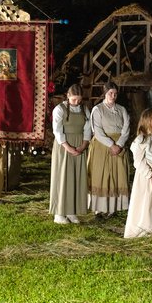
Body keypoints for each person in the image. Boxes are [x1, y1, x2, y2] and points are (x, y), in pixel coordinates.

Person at [87, 81, 131, 217]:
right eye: (110, 93)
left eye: (115, 93)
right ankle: (99, 208)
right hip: (102, 145)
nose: (113, 96)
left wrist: (119, 145)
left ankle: (113, 207)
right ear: (105, 94)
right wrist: (111, 144)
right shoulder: (98, 109)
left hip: (119, 144)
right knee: (101, 175)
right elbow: (97, 130)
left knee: (117, 175)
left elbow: (126, 129)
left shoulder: (121, 110)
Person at [49, 84, 92, 224]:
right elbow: (57, 130)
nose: (76, 102)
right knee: (62, 177)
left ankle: (71, 211)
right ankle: (59, 213)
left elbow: (87, 129)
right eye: (74, 100)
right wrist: (68, 147)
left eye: (79, 100)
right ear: (68, 96)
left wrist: (83, 146)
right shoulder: (59, 109)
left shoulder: (84, 110)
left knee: (76, 178)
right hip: (64, 146)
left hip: (79, 146)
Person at [124, 108, 152, 238]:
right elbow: (138, 162)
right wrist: (151, 175)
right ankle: (144, 229)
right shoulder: (141, 139)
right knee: (146, 202)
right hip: (147, 176)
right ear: (147, 120)